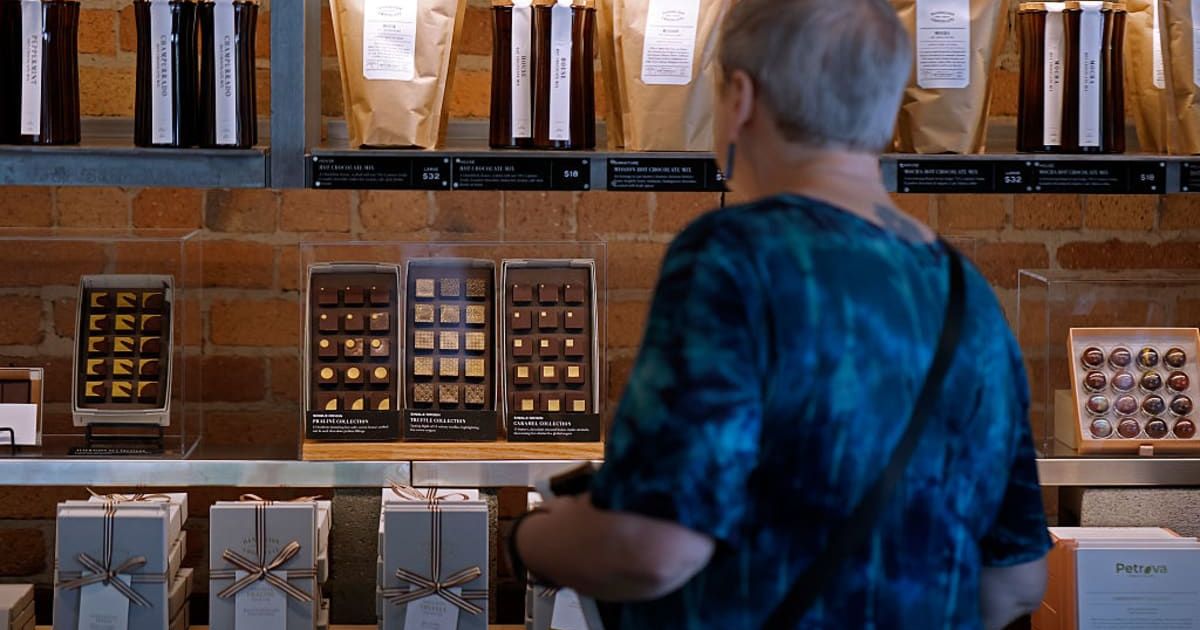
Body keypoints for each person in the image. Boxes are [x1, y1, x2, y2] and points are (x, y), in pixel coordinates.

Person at [507, 0, 1051, 627]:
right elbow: (1015, 582)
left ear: (739, 98)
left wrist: (528, 539)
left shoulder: (736, 257)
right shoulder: (967, 292)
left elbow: (653, 550)